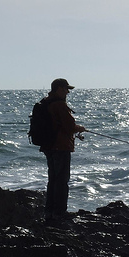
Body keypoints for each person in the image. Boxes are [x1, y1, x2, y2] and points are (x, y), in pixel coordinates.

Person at [41, 78, 86, 221]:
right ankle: (59, 213)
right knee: (61, 180)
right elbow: (70, 127)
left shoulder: (45, 103)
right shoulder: (59, 105)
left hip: (48, 146)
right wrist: (80, 128)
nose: (67, 92)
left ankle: (49, 212)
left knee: (52, 180)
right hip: (60, 147)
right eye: (66, 89)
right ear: (59, 89)